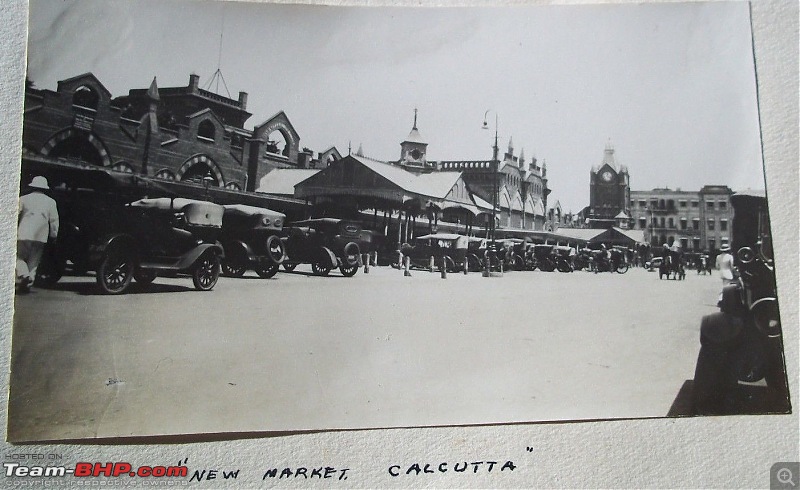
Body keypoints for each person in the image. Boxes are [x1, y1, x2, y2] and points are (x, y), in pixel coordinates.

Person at [16, 176, 59, 292]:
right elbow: (54, 220)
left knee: (18, 257)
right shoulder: (51, 202)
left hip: (24, 233)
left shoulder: (23, 199)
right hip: (41, 236)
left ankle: (23, 275)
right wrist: (53, 235)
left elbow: (16, 215)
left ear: (32, 186)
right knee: (34, 260)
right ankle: (29, 281)